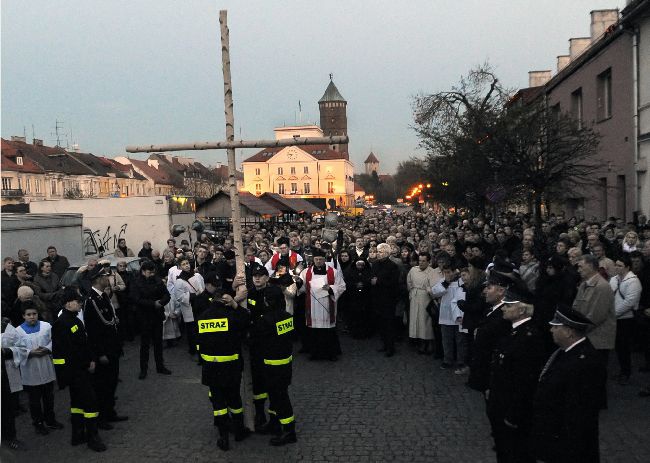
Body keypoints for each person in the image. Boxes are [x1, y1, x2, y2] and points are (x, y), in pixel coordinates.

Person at [530, 307, 606, 463]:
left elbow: (578, 412)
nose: (551, 330)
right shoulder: (566, 352)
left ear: (569, 332)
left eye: (556, 327)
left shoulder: (584, 363)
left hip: (566, 443)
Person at [487, 290, 545, 463]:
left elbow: (525, 381)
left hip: (511, 408)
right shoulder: (514, 332)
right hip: (501, 402)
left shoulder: (527, 338)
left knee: (515, 452)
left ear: (522, 310)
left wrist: (514, 414)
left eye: (509, 305)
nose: (504, 308)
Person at [52, 287, 107, 452]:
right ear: (68, 304)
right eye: (78, 301)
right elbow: (66, 352)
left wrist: (89, 359)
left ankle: (77, 435)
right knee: (90, 403)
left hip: (77, 371)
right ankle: (92, 437)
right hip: (75, 372)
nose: (81, 304)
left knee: (77, 404)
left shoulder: (74, 320)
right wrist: (84, 365)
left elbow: (83, 344)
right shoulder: (63, 323)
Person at [196, 291, 251, 451]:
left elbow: (198, 343)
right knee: (234, 399)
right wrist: (235, 305)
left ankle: (223, 436)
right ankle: (239, 431)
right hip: (231, 366)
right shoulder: (231, 316)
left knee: (218, 403)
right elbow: (246, 320)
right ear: (224, 301)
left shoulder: (203, 317)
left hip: (211, 368)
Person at [83, 265, 128, 429]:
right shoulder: (91, 301)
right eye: (105, 276)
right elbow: (92, 331)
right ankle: (102, 417)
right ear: (98, 279)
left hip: (112, 348)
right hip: (103, 351)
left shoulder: (104, 297)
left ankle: (110, 412)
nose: (108, 279)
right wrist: (99, 353)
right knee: (103, 385)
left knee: (112, 382)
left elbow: (112, 322)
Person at [253, 287, 297, 446]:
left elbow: (255, 339)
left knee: (280, 399)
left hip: (272, 366)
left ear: (267, 301)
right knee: (276, 397)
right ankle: (274, 423)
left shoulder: (265, 320)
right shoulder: (287, 317)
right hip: (285, 363)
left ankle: (289, 431)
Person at [573, 254, 615, 407]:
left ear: (590, 266)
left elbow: (597, 316)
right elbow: (576, 307)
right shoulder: (585, 284)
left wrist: (577, 330)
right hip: (587, 335)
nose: (578, 269)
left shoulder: (602, 286)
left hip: (598, 338)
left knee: (597, 372)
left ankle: (598, 402)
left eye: (581, 266)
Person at [15, 304, 64, 435]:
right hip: (31, 372)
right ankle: (38, 423)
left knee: (49, 397)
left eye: (34, 314)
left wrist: (48, 348)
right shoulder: (18, 331)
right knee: (35, 401)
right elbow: (16, 349)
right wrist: (30, 353)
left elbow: (55, 340)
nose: (32, 317)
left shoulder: (46, 326)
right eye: (29, 315)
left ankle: (50, 420)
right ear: (23, 316)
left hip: (46, 367)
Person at [246, 266, 284, 431]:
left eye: (261, 276)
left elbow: (271, 315)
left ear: (267, 278)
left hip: (270, 343)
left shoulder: (273, 293)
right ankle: (260, 412)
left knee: (273, 382)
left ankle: (274, 418)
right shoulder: (250, 292)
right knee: (258, 380)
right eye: (255, 276)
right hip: (255, 343)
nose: (257, 279)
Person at [467, 271, 512, 393]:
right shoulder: (491, 310)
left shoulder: (503, 316)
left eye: (489, 287)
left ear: (501, 291)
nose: (484, 291)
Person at [297, 248, 346, 360]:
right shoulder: (306, 272)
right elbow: (303, 289)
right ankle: (315, 353)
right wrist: (299, 283)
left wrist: (331, 289)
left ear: (325, 259)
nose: (318, 261)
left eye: (320, 259)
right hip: (313, 306)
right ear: (313, 259)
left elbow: (342, 286)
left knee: (328, 332)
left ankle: (331, 354)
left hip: (327, 305)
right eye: (316, 259)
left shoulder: (333, 272)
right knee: (314, 332)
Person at [131, 261, 172, 379]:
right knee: (145, 345)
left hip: (157, 316)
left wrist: (161, 302)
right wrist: (153, 304)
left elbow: (166, 295)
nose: (152, 274)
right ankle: (143, 369)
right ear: (143, 271)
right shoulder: (137, 282)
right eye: (150, 272)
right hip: (144, 317)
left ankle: (160, 366)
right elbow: (136, 299)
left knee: (158, 343)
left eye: (153, 272)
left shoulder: (157, 280)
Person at [609, 254, 641, 385]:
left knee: (624, 347)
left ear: (627, 267)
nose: (616, 267)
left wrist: (613, 313)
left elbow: (629, 302)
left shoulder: (634, 281)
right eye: (616, 265)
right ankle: (623, 370)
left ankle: (626, 372)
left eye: (620, 266)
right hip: (614, 318)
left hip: (626, 319)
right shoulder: (614, 279)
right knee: (618, 346)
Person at [432, 262, 468, 373]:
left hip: (459, 316)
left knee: (460, 340)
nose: (447, 274)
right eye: (445, 272)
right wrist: (446, 283)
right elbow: (435, 292)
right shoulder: (442, 282)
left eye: (448, 272)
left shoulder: (461, 282)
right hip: (445, 316)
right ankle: (447, 360)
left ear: (454, 271)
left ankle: (461, 361)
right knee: (446, 340)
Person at [370, 243, 400, 357]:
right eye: (378, 251)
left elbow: (393, 283)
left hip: (388, 300)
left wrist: (378, 281)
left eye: (381, 252)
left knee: (389, 324)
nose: (378, 253)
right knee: (381, 324)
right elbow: (372, 277)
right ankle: (384, 344)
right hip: (377, 298)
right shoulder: (375, 264)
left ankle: (390, 347)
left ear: (387, 253)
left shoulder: (393, 266)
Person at [174, 257, 205, 356]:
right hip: (190, 307)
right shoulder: (179, 281)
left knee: (201, 329)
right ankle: (193, 349)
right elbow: (179, 297)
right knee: (192, 331)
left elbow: (203, 287)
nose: (186, 265)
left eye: (187, 263)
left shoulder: (197, 275)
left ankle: (202, 348)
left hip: (200, 305)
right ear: (179, 267)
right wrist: (193, 295)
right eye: (183, 264)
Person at [406, 252, 437, 354]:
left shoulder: (432, 272)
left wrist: (430, 292)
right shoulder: (413, 270)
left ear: (428, 262)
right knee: (416, 320)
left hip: (426, 297)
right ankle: (420, 342)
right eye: (420, 260)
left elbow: (434, 286)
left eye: (424, 261)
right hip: (415, 296)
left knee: (425, 321)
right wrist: (411, 292)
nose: (421, 263)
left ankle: (429, 343)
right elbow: (409, 281)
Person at [2, 316, 25, 450]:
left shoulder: (5, 326)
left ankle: (10, 437)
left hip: (5, 374)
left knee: (7, 408)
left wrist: (6, 351)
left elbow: (21, 347)